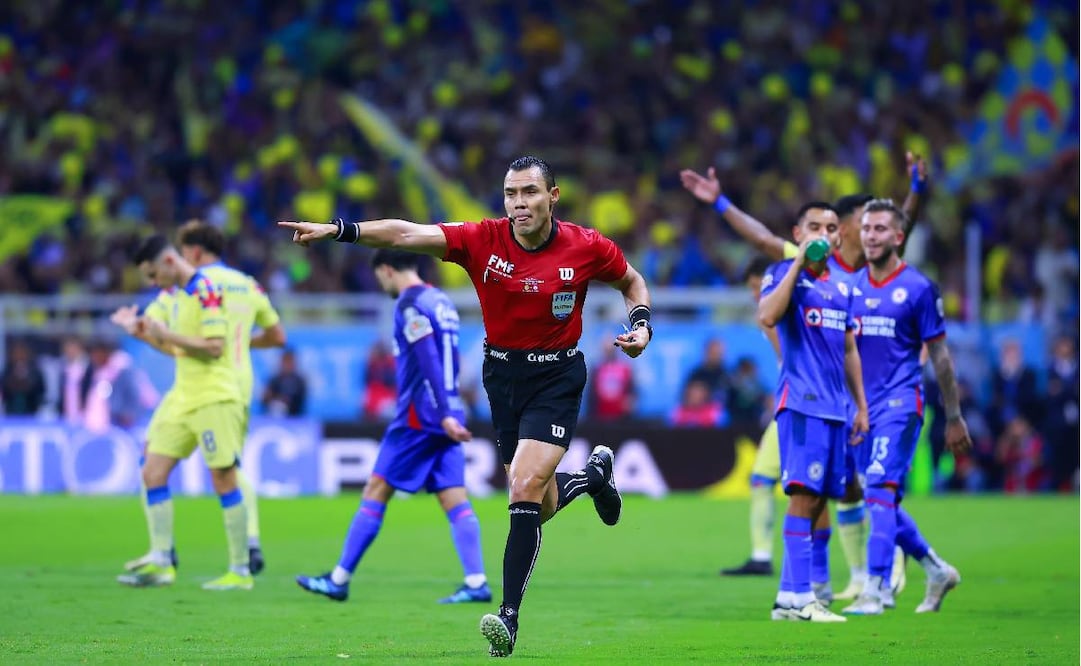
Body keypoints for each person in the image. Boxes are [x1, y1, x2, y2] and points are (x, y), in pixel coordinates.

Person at [281, 155, 652, 657]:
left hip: (557, 376)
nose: (519, 204)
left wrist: (643, 324)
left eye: (530, 193)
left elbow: (631, 281)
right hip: (502, 378)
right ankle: (592, 478)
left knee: (521, 489)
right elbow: (404, 235)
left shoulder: (586, 246)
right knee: (536, 505)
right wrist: (339, 229)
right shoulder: (483, 239)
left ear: (553, 196)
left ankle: (508, 617)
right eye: (510, 194)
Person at [680, 152, 927, 601]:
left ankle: (863, 572)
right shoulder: (805, 263)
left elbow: (900, 228)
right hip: (808, 391)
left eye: (838, 226)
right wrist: (720, 204)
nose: (867, 229)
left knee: (855, 487)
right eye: (863, 221)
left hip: (858, 393)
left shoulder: (860, 269)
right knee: (814, 489)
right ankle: (818, 583)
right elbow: (762, 241)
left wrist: (917, 192)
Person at [295, 248, 490, 604]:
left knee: (376, 489)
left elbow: (427, 355)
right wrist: (452, 406)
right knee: (453, 496)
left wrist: (443, 410)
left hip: (421, 415)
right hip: (447, 409)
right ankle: (476, 582)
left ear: (386, 270)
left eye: (379, 277)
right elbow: (450, 357)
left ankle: (339, 579)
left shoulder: (410, 305)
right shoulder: (441, 300)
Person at [119, 221, 286, 577]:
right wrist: (244, 343)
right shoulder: (247, 284)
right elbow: (277, 335)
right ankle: (246, 543)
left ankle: (235, 560)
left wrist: (158, 334)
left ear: (191, 252)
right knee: (226, 467)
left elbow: (169, 336)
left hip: (211, 385)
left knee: (222, 471)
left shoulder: (183, 289)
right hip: (237, 382)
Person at [840, 198, 971, 615]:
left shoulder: (918, 288)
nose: (872, 235)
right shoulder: (852, 287)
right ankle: (936, 570)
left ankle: (876, 590)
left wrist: (953, 415)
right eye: (867, 228)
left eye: (880, 229)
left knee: (878, 490)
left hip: (902, 403)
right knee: (882, 502)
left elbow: (941, 357)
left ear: (899, 237)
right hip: (861, 409)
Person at [757, 201, 869, 622]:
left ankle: (790, 597)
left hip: (836, 408)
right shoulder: (782, 274)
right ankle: (801, 597)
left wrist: (860, 405)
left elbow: (849, 347)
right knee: (804, 495)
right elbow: (767, 315)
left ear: (840, 236)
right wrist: (798, 262)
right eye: (814, 226)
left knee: (821, 498)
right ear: (798, 232)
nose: (824, 232)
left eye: (831, 227)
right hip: (801, 404)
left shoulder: (845, 285)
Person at [719, 257, 784, 577]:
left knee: (840, 490)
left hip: (810, 407)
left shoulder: (776, 315)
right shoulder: (770, 317)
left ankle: (875, 567)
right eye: (752, 289)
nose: (755, 295)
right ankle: (761, 556)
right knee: (761, 477)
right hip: (789, 406)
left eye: (758, 287)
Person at [1, 339, 46, 416]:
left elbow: (41, 390)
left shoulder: (35, 370)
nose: (19, 355)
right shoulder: (7, 370)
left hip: (31, 411)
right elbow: (4, 389)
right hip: (11, 411)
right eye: (16, 353)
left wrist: (26, 383)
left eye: (22, 352)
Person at [262, 348, 308, 416]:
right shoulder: (275, 380)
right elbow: (265, 399)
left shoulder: (299, 381)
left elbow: (301, 401)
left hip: (294, 418)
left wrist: (288, 401)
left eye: (290, 361)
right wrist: (275, 399)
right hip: (274, 417)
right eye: (285, 361)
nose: (287, 365)